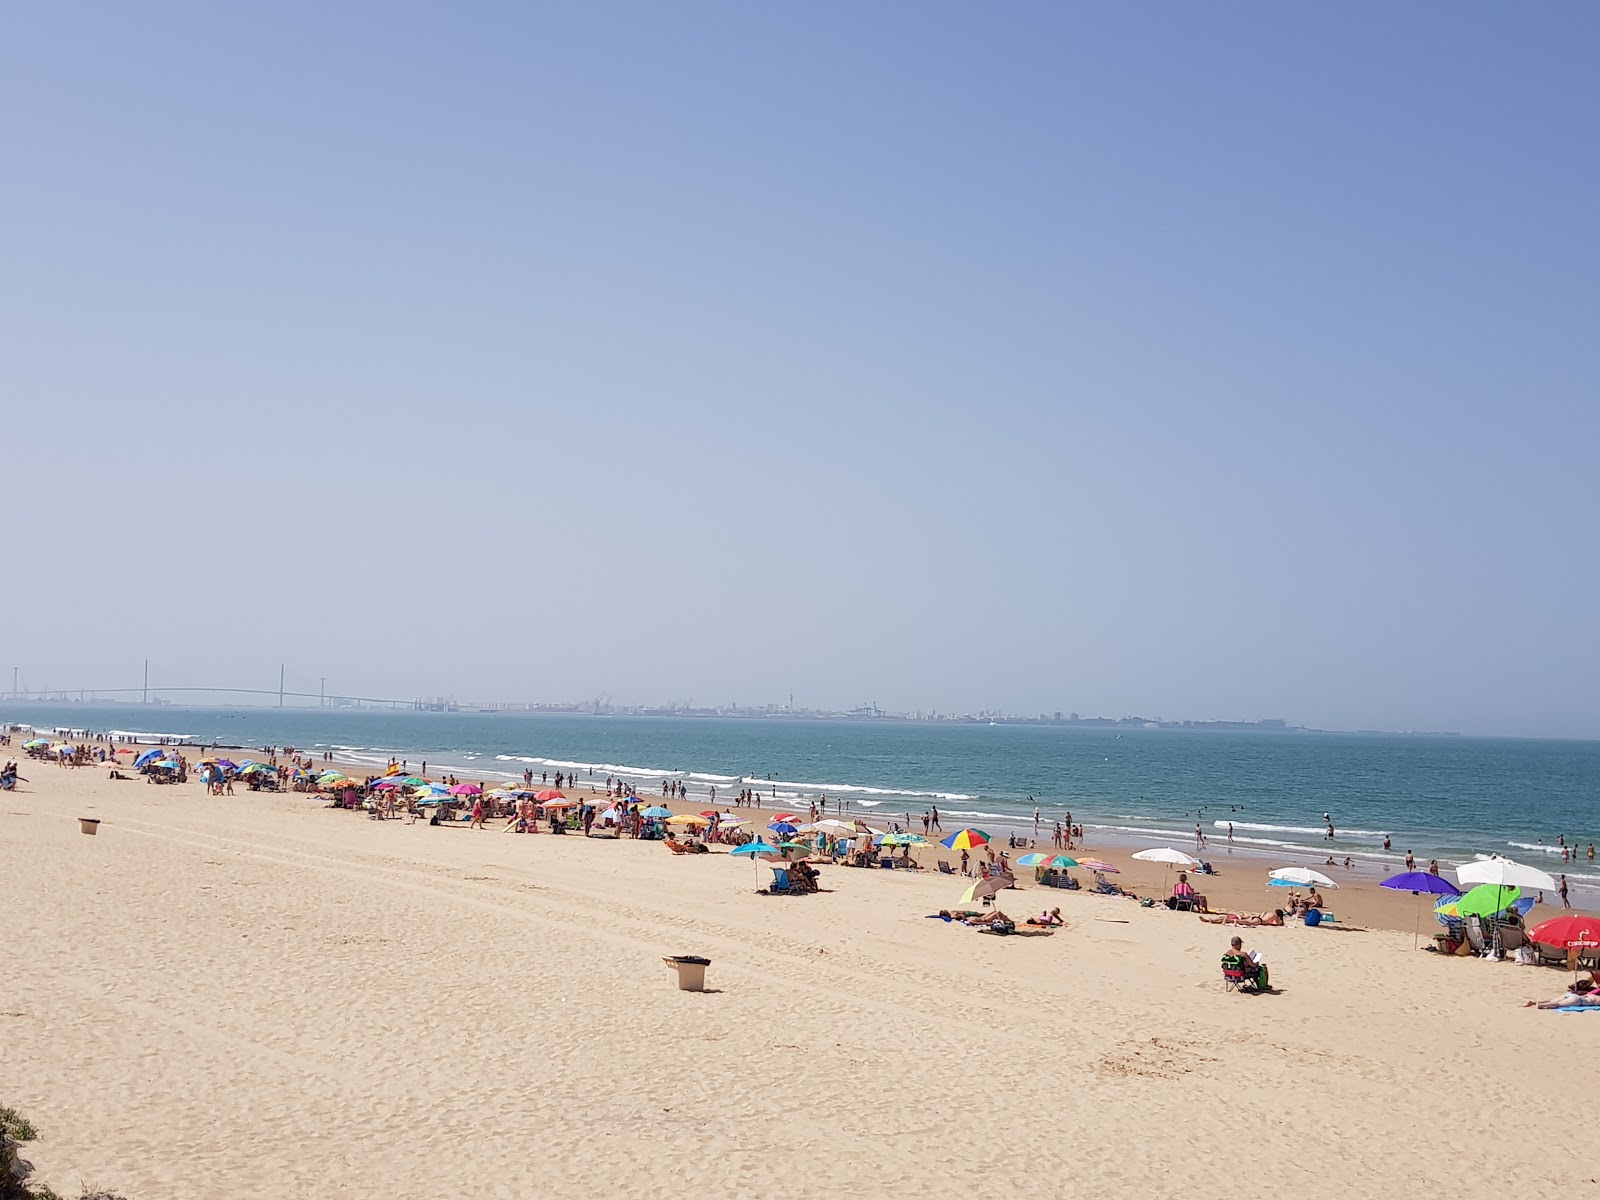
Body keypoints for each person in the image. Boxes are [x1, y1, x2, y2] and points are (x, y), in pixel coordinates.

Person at [1523, 979, 1598, 1009]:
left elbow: (1587, 993)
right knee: (1558, 1004)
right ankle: (1541, 1005)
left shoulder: (1592, 994)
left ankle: (1533, 1002)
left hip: (1574, 996)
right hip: (1578, 1000)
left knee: (1553, 1000)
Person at [1201, 909, 1285, 927]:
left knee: (1242, 920)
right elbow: (1278, 924)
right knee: (1243, 922)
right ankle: (1229, 920)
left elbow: (1262, 913)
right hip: (1259, 921)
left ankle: (1211, 920)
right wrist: (1281, 920)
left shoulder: (1268, 912)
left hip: (1256, 917)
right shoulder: (1275, 916)